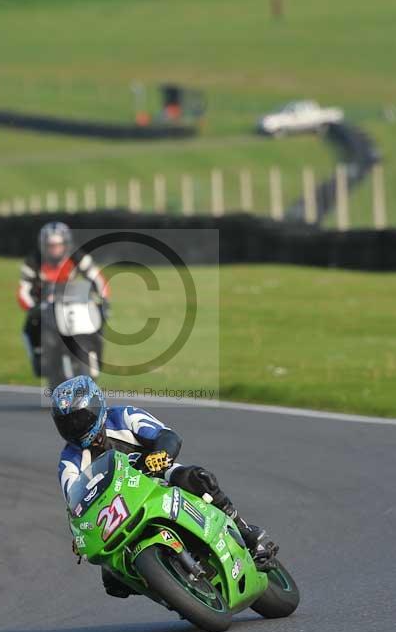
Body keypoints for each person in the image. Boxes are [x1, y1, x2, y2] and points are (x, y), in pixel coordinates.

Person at [52, 375, 278, 598]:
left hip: (156, 476)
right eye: (67, 423)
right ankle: (168, 589)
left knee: (196, 477)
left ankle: (246, 532)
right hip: (117, 510)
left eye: (80, 418)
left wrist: (161, 454)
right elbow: (74, 503)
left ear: (96, 405)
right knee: (113, 581)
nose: (75, 427)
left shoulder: (123, 416)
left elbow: (167, 435)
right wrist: (81, 533)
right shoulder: (69, 461)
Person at [17, 222, 109, 376]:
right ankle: (38, 358)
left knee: (98, 320)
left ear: (66, 244)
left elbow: (97, 278)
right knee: (30, 327)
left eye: (58, 245)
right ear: (43, 246)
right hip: (45, 307)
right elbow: (23, 291)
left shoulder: (77, 256)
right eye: (51, 246)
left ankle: (94, 356)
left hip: (73, 303)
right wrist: (33, 307)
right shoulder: (34, 260)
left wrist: (104, 300)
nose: (55, 249)